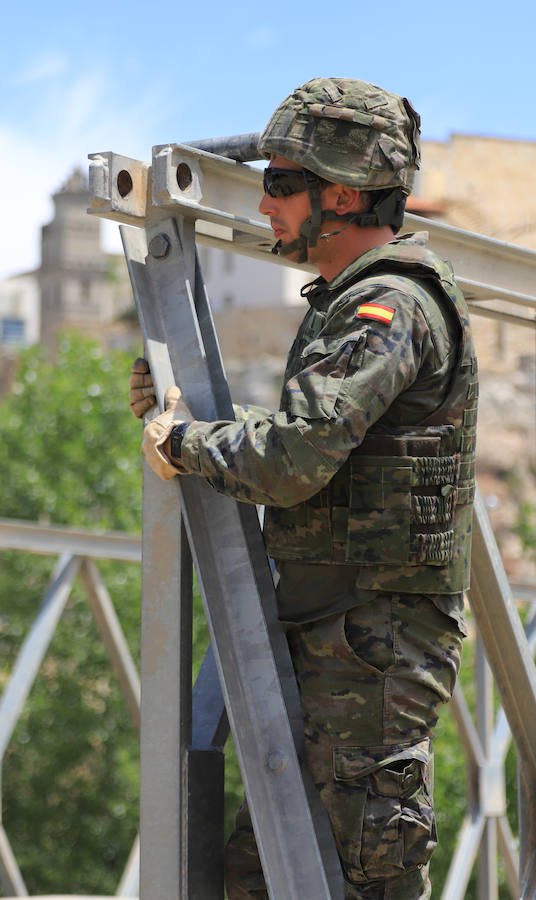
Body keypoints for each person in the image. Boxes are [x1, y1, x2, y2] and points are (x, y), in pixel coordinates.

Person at [129, 77, 477, 899]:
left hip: (372, 646)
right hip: (340, 633)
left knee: (366, 875)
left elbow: (293, 458)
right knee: (263, 877)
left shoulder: (389, 305)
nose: (266, 205)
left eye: (282, 185)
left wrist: (185, 442)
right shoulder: (354, 305)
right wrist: (187, 414)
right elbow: (331, 442)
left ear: (345, 194)